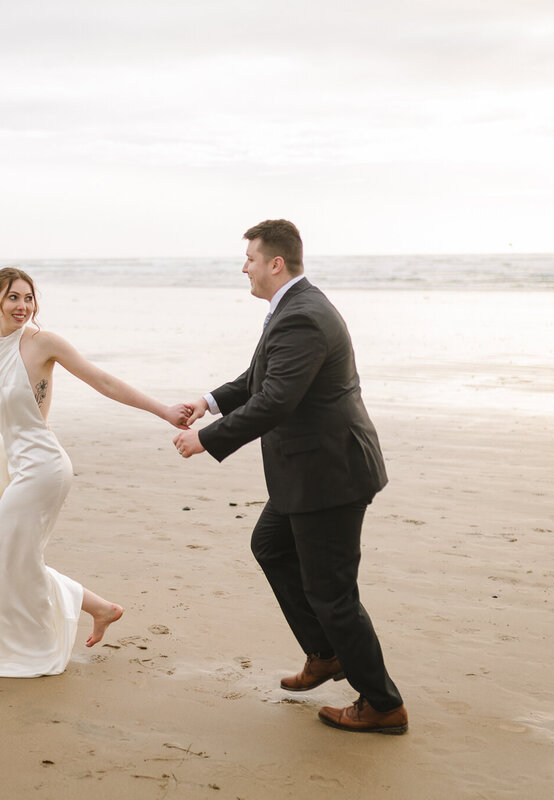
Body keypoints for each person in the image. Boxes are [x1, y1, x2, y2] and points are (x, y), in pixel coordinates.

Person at [172, 220, 407, 734]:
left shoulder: (302, 316)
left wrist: (207, 438)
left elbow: (276, 401)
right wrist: (207, 402)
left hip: (330, 476)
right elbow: (260, 378)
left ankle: (383, 703)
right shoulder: (292, 310)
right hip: (309, 473)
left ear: (275, 263)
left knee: (333, 593)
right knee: (271, 546)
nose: (245, 268)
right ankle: (324, 653)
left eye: (250, 259)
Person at [0, 267, 191, 678]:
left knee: (3, 558)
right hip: (20, 466)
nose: (23, 307)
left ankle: (26, 649)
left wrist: (163, 411)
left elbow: (103, 381)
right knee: (10, 558)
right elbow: (2, 404)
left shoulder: (43, 344)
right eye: (14, 298)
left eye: (29, 298)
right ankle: (101, 609)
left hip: (45, 468)